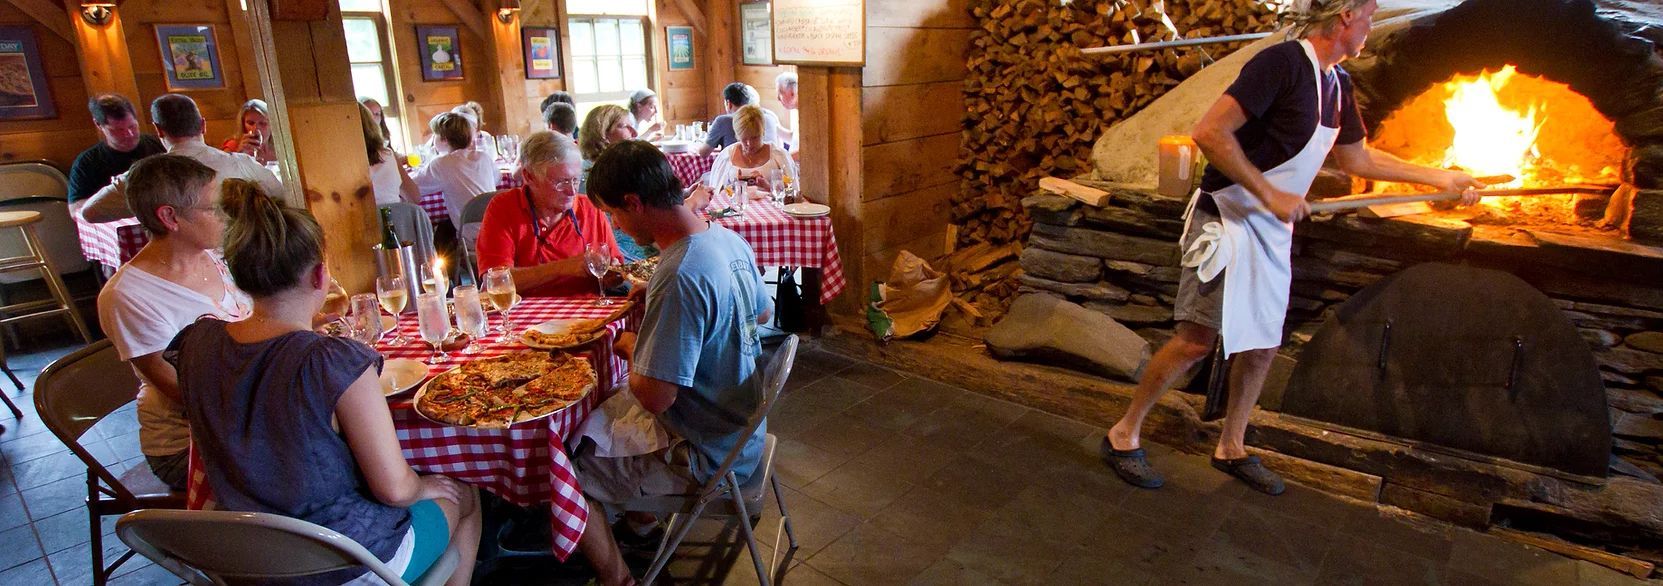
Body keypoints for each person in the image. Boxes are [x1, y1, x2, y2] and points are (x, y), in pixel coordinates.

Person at [1100, 0, 1483, 495]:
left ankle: (1231, 446)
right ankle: (1123, 433)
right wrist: (1269, 192)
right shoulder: (1280, 65)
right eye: (1368, 14)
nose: (1371, 25)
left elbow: (1357, 158)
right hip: (1229, 218)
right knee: (1197, 340)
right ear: (1345, 16)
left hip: (1271, 229)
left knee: (1262, 344)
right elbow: (1209, 133)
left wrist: (1439, 177)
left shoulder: (1338, 84)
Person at [167, 181, 481, 586]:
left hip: (241, 560)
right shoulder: (332, 361)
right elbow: (394, 489)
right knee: (468, 495)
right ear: (320, 275)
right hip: (342, 561)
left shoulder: (198, 343)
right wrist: (424, 485)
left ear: (240, 275)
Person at [576, 141, 768, 586]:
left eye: (612, 213)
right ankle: (642, 528)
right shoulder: (722, 236)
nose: (613, 224)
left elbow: (655, 396)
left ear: (633, 203)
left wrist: (629, 343)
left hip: (710, 453)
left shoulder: (679, 273)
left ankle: (618, 578)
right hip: (743, 429)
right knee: (610, 425)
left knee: (568, 465)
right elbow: (760, 313)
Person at [96, 155, 251, 491]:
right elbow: (185, 392)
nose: (225, 216)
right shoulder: (129, 295)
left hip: (243, 420)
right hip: (188, 446)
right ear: (169, 217)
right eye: (213, 209)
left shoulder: (215, 257)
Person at [78, 94, 284, 224]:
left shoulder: (143, 177)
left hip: (188, 272)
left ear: (158, 130)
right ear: (203, 125)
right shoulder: (243, 164)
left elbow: (90, 213)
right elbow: (283, 198)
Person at [474, 131, 621, 297]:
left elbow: (616, 272)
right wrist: (565, 267)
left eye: (575, 180)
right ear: (529, 177)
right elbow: (494, 282)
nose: (572, 191)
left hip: (587, 314)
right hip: (526, 317)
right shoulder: (504, 208)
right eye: (561, 182)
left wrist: (612, 273)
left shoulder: (589, 208)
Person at [67, 94, 166, 205]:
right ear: (99, 125)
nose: (129, 134)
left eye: (132, 126)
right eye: (118, 130)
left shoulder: (161, 146)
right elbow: (76, 208)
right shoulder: (87, 162)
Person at [411, 111, 497, 232]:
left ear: (444, 139)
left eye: (434, 135)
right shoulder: (484, 157)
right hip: (499, 229)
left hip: (472, 235)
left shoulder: (442, 163)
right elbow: (497, 178)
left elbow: (413, 188)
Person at [705, 105, 796, 192]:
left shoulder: (778, 156)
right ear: (737, 136)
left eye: (755, 138)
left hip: (771, 206)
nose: (749, 144)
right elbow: (716, 193)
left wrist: (768, 187)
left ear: (763, 132)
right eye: (744, 138)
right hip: (736, 206)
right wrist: (735, 186)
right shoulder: (727, 156)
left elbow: (792, 192)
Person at [695, 82, 782, 155]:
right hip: (770, 166)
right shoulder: (770, 117)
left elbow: (703, 153)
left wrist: (696, 145)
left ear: (728, 103)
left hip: (738, 168)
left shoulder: (723, 121)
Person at [363, 102, 419, 205]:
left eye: (377, 114)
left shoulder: (386, 153)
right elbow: (415, 197)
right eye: (369, 114)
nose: (373, 118)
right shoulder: (387, 154)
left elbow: (414, 195)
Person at [219, 99, 276, 165]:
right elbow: (222, 171)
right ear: (243, 124)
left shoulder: (278, 146)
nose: (256, 128)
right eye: (250, 123)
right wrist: (239, 154)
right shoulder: (233, 146)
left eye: (262, 123)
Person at [774, 72, 799, 153]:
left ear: (792, 93)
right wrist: (775, 128)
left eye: (780, 93)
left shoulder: (808, 114)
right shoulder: (797, 112)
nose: (778, 98)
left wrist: (785, 159)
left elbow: (807, 148)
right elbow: (795, 140)